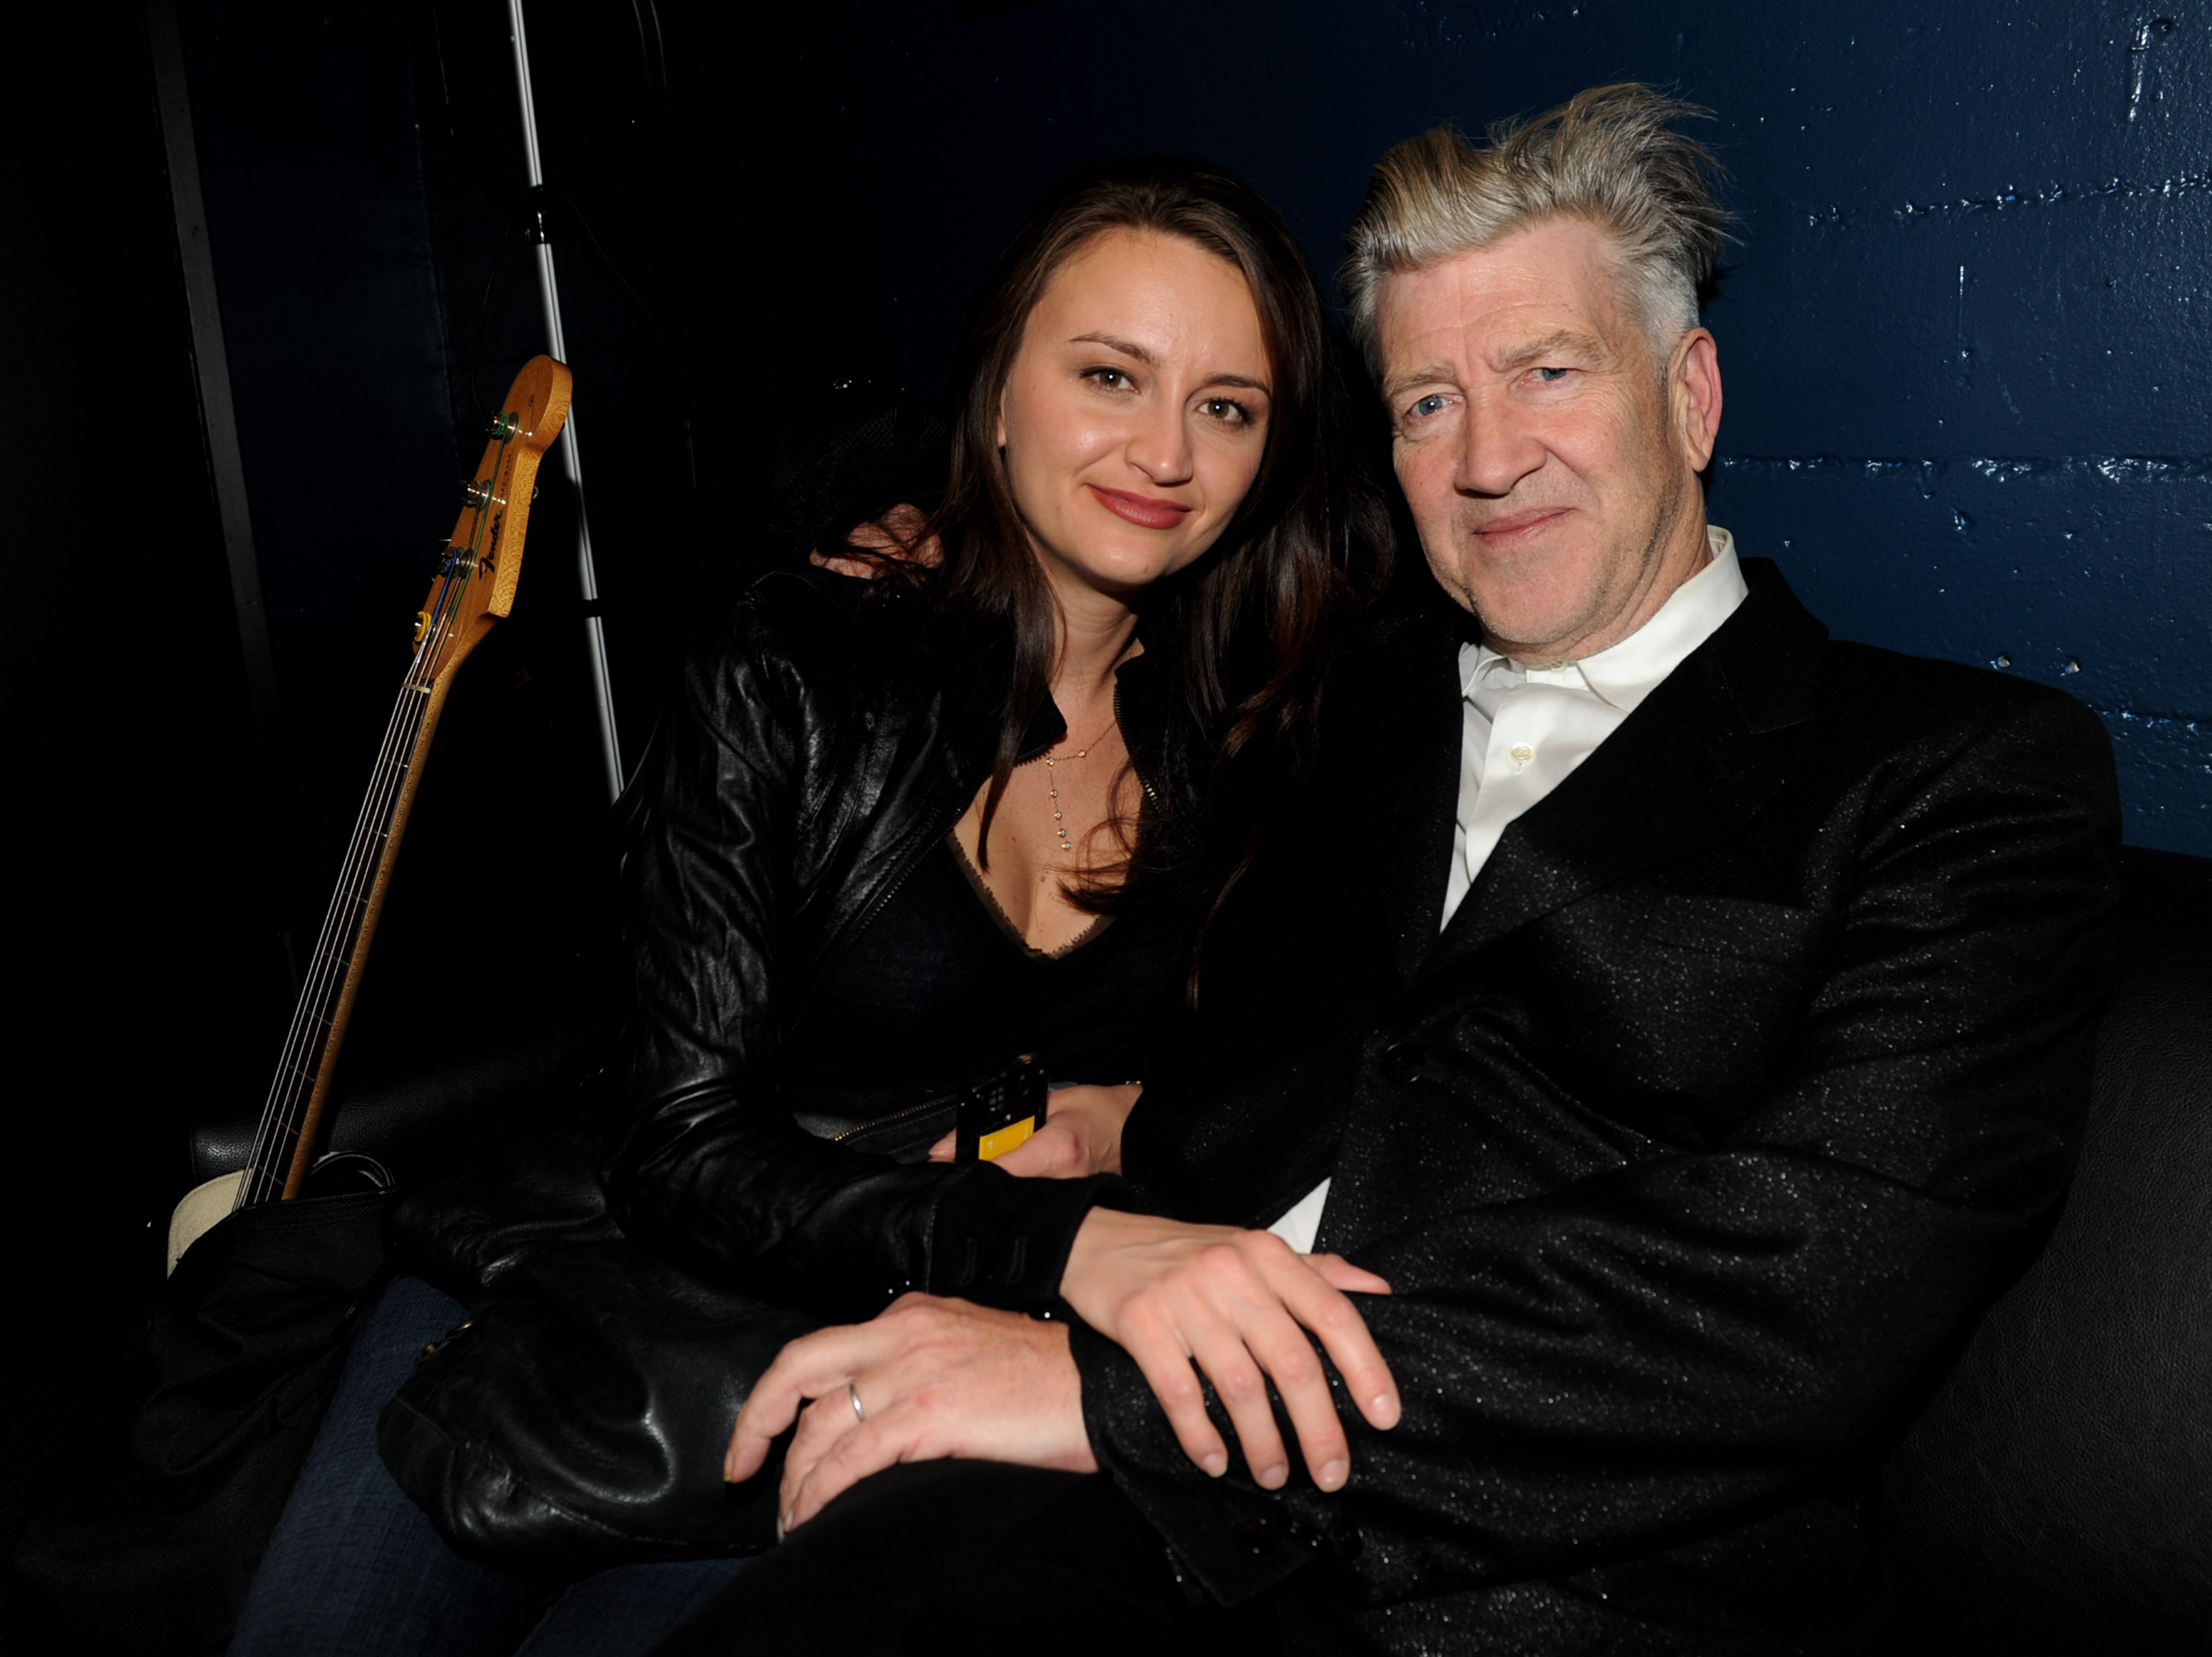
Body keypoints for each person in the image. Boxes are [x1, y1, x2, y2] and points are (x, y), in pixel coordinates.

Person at [660, 86, 2123, 1655]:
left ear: (1690, 396)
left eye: (1548, 372)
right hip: (1088, 1489)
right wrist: (1134, 1123)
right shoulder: (1334, 696)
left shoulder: (1957, 772)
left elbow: (1803, 1297)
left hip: (1544, 1573)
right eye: (1426, 402)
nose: (1488, 457)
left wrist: (1117, 1398)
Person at [224, 156, 1390, 1656]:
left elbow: (1324, 1051)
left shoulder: (1263, 730)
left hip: (912, 1367)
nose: (1162, 451)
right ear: (997, 396)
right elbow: (675, 1147)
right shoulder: (801, 666)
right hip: (607, 1312)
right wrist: (1060, 1245)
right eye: (1111, 374)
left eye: (1226, 407)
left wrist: (1142, 1107)